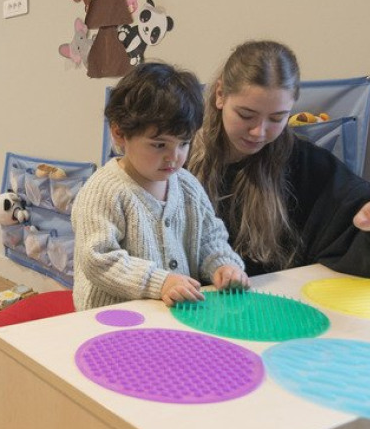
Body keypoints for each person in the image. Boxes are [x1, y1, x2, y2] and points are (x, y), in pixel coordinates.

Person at [188, 40, 370, 279]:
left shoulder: (308, 168)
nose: (259, 132)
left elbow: (368, 252)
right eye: (246, 115)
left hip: (272, 313)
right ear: (220, 94)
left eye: (277, 118)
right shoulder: (175, 156)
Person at [72, 62, 249, 310]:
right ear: (120, 134)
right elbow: (98, 260)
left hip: (173, 315)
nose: (174, 157)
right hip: (112, 320)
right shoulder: (104, 191)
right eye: (159, 145)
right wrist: (160, 281)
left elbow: (209, 237)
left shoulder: (187, 185)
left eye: (184, 143)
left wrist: (222, 265)